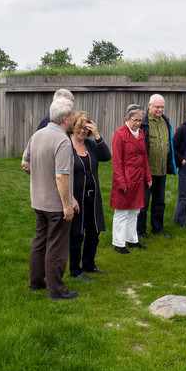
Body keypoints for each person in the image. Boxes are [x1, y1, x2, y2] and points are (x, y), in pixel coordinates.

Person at [26, 97, 79, 300]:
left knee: (39, 241)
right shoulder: (63, 141)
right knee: (56, 246)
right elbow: (61, 175)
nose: (75, 117)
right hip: (55, 205)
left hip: (38, 201)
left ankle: (36, 282)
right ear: (65, 118)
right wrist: (67, 205)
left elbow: (25, 162)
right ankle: (56, 290)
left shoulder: (37, 135)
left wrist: (39, 177)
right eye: (73, 114)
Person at [68, 111, 111, 280]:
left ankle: (89, 264)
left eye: (85, 128)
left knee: (93, 233)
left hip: (93, 197)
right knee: (77, 233)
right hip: (77, 197)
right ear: (73, 127)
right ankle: (75, 270)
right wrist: (70, 197)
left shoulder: (91, 145)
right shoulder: (67, 145)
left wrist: (97, 135)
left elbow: (106, 156)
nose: (82, 131)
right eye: (79, 127)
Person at [110, 105, 152, 254]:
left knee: (135, 211)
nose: (138, 123)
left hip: (138, 178)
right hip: (125, 178)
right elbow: (117, 161)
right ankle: (119, 243)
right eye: (135, 120)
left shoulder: (140, 133)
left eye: (140, 120)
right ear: (127, 118)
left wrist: (148, 176)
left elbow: (144, 156)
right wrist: (121, 182)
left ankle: (132, 240)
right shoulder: (120, 134)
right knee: (121, 212)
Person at [138, 94, 176, 239]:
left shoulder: (166, 122)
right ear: (149, 105)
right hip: (146, 171)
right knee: (143, 203)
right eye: (157, 107)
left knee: (160, 202)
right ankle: (140, 232)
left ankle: (157, 229)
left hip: (161, 170)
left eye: (162, 107)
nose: (160, 110)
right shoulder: (143, 122)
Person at [22, 89, 75, 172]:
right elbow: (39, 149)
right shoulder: (49, 121)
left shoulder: (57, 122)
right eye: (66, 103)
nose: (70, 107)